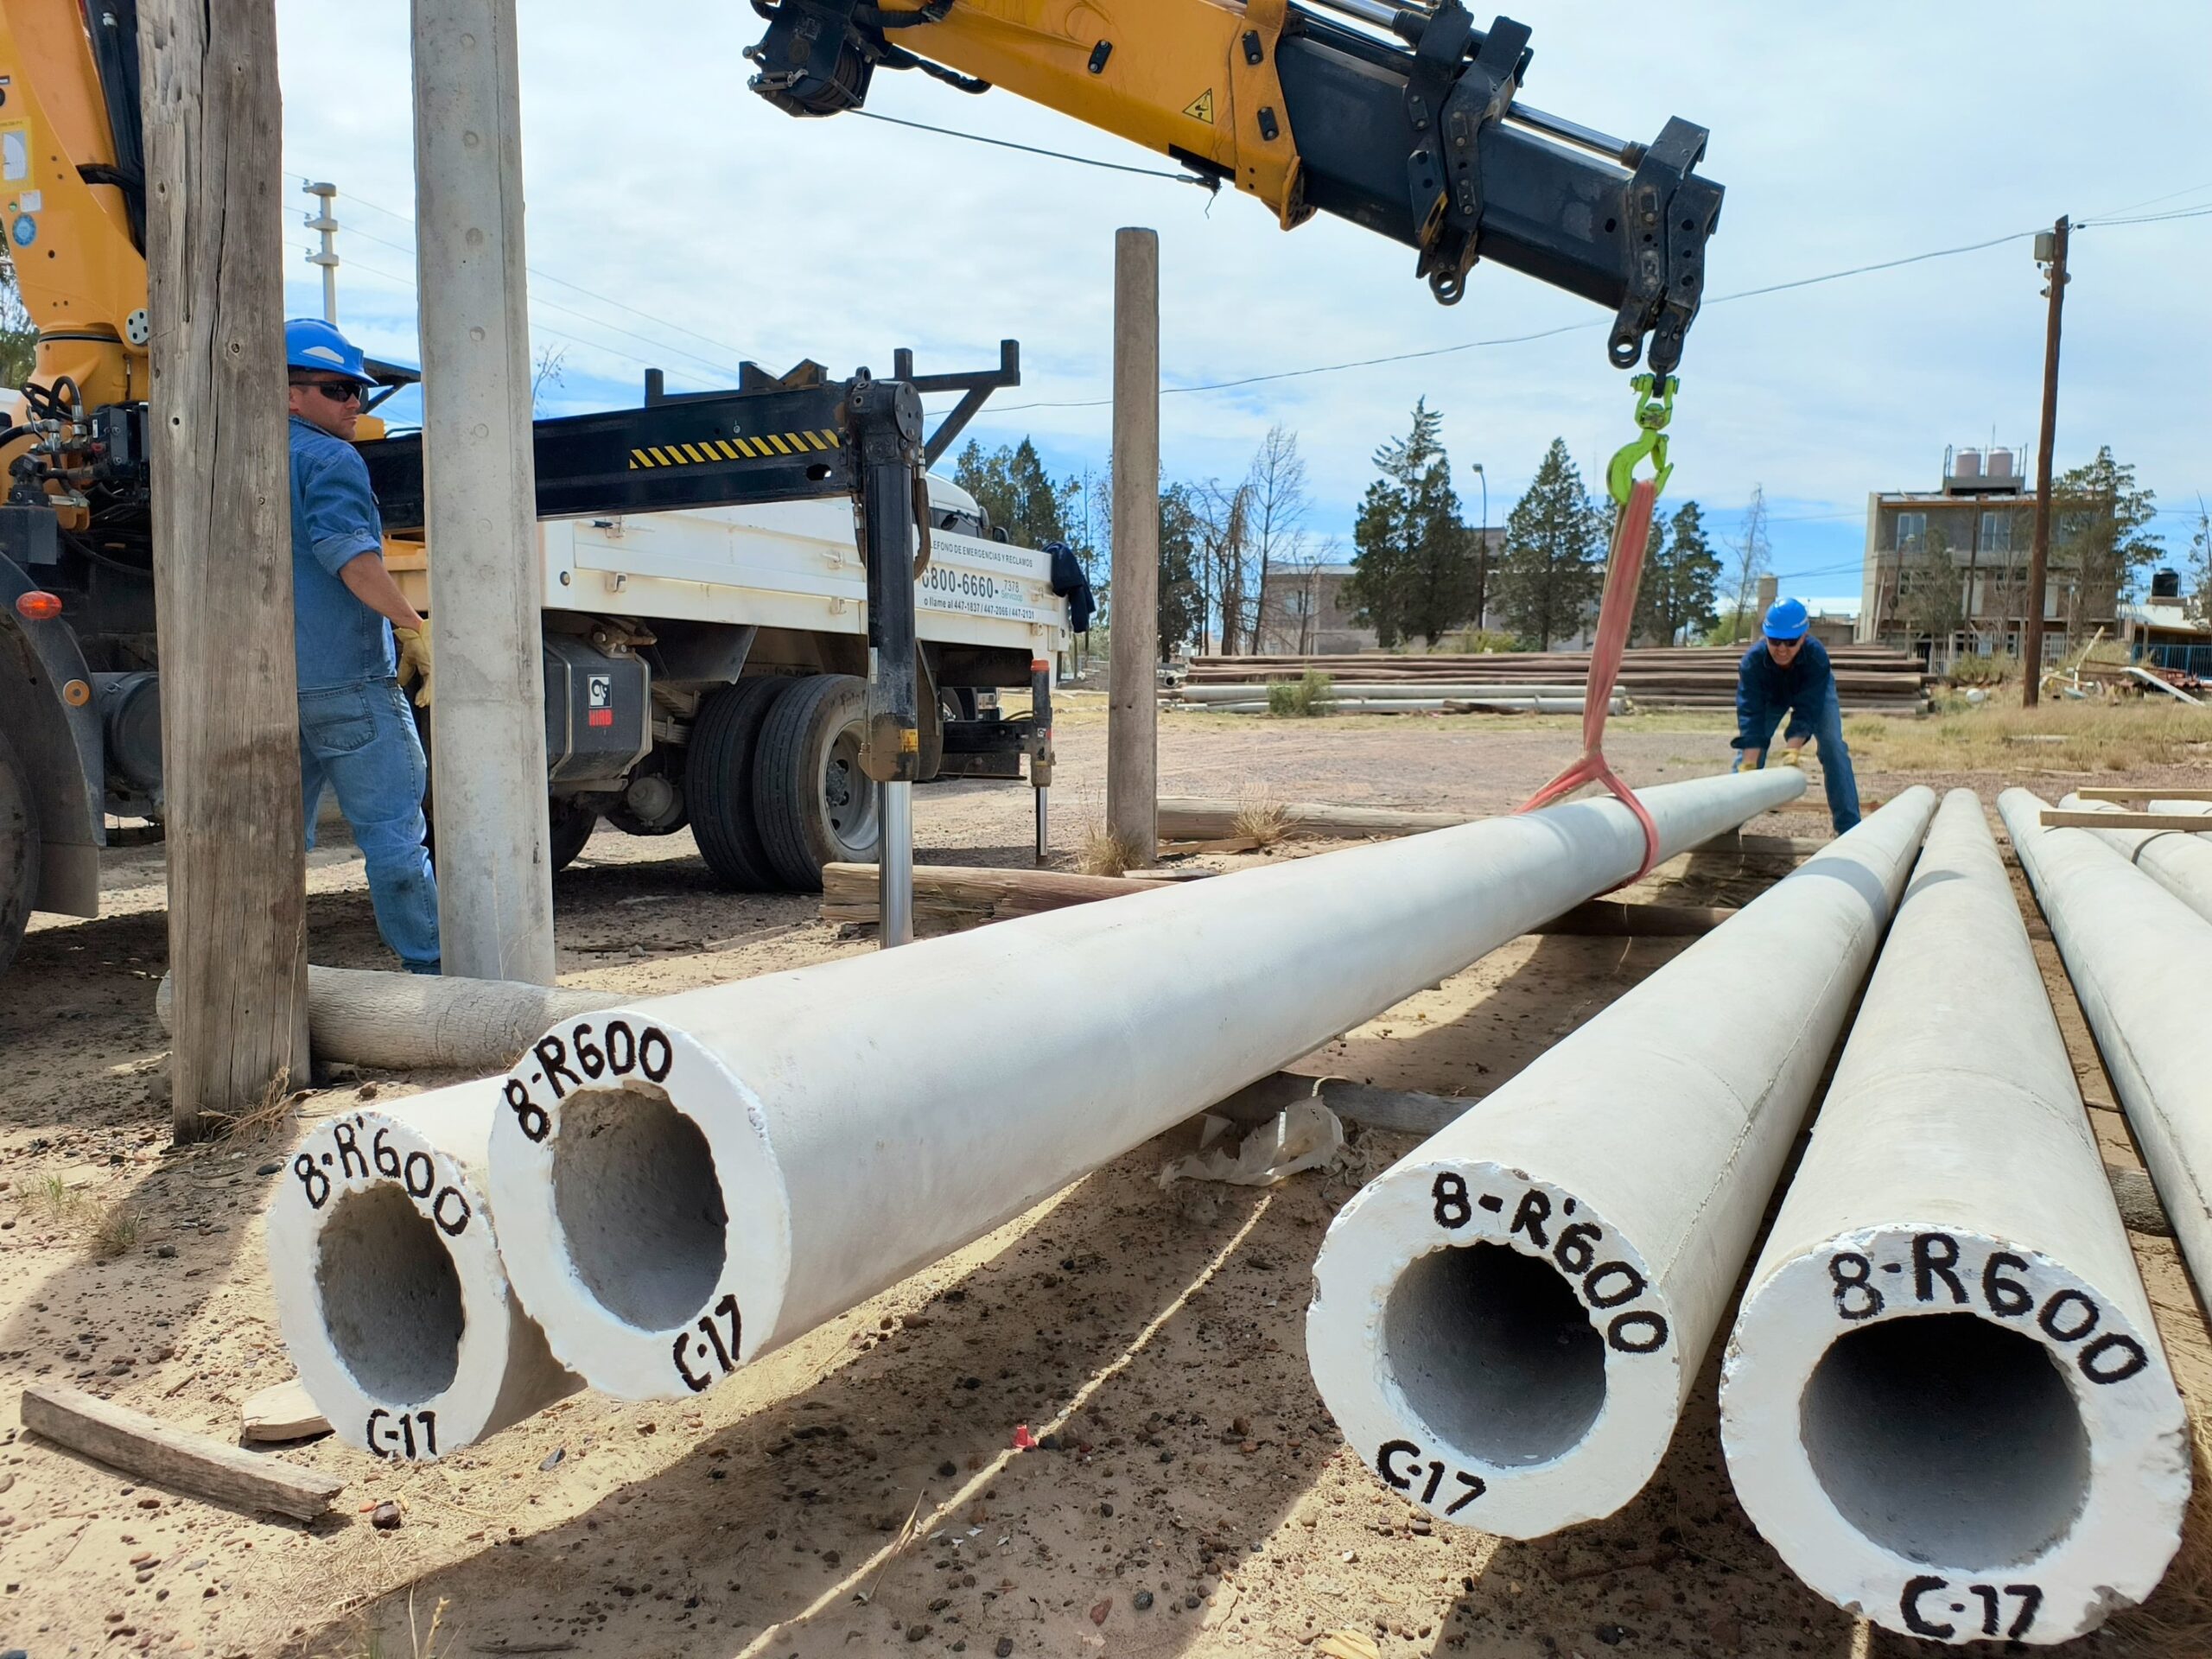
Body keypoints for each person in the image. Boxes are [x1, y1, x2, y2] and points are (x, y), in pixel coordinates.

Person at [286, 317, 441, 973]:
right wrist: (412, 624)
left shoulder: (234, 456)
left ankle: (260, 985)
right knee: (395, 839)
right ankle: (435, 973)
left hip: (270, 687)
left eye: (358, 390)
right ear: (290, 392)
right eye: (337, 389)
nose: (355, 403)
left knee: (271, 844)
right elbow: (351, 559)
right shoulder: (330, 459)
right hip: (347, 683)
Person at [1732, 597, 1861, 836]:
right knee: (1748, 757)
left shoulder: (1816, 658)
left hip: (1811, 691)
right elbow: (1750, 712)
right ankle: (1726, 824)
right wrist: (1750, 760)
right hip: (1771, 693)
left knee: (1833, 747)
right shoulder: (1753, 663)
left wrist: (1793, 748)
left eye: (1791, 642)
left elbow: (1809, 707)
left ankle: (1849, 828)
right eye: (1775, 641)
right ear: (1765, 636)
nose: (1782, 649)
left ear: (1804, 637)